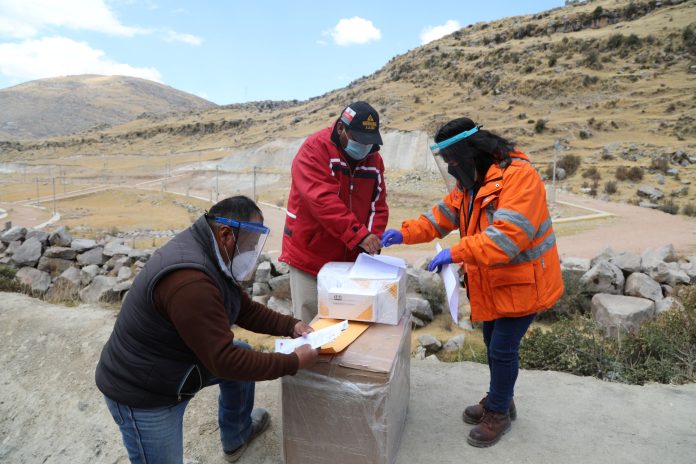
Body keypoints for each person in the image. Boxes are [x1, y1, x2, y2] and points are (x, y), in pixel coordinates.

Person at [381, 117, 563, 448]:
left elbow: (507, 238)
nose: (451, 169)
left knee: (502, 349)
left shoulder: (520, 178)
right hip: (496, 284)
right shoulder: (471, 184)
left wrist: (456, 252)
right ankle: (501, 399)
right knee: (495, 345)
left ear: (471, 152)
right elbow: (439, 218)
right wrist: (402, 233)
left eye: (453, 161)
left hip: (525, 284)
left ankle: (498, 413)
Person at [95, 195, 319, 463]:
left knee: (243, 356)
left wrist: (290, 325)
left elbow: (242, 308)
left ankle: (237, 435)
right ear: (226, 234)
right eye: (250, 243)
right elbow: (225, 360)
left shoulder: (212, 253)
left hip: (179, 364)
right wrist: (293, 362)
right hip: (145, 390)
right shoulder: (191, 282)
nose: (252, 252)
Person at [279, 101, 388, 323]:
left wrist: (373, 238)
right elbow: (321, 201)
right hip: (310, 256)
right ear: (341, 129)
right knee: (309, 323)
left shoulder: (373, 159)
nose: (365, 148)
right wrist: (360, 235)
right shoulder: (314, 150)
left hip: (352, 260)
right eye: (359, 141)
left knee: (347, 322)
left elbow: (379, 203)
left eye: (370, 142)